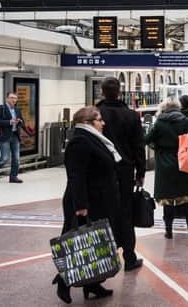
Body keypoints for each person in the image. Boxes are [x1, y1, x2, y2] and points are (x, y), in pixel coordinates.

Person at [55, 106, 119, 304]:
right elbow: (76, 175)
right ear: (88, 122)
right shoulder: (80, 142)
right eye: (99, 119)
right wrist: (81, 205)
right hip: (85, 201)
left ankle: (93, 284)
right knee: (77, 244)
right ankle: (63, 283)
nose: (103, 123)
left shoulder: (93, 138)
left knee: (95, 244)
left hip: (97, 199)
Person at [96, 77, 145, 272]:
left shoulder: (96, 114)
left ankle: (103, 260)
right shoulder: (131, 116)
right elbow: (138, 147)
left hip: (100, 172)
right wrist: (140, 172)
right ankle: (130, 258)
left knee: (101, 214)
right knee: (126, 213)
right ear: (120, 92)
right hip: (125, 172)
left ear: (102, 92)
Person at [146, 97, 188, 239]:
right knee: (186, 197)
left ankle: (168, 231)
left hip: (164, 165)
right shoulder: (185, 121)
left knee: (167, 200)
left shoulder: (160, 123)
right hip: (183, 163)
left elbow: (147, 139)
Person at [0, 91, 29, 183]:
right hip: (4, 136)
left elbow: (22, 122)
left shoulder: (17, 110)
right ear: (7, 99)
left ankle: (13, 177)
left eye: (15, 98)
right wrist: (9, 122)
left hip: (15, 136)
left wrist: (19, 122)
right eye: (12, 97)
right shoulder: (1, 108)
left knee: (16, 158)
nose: (14, 100)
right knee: (4, 158)